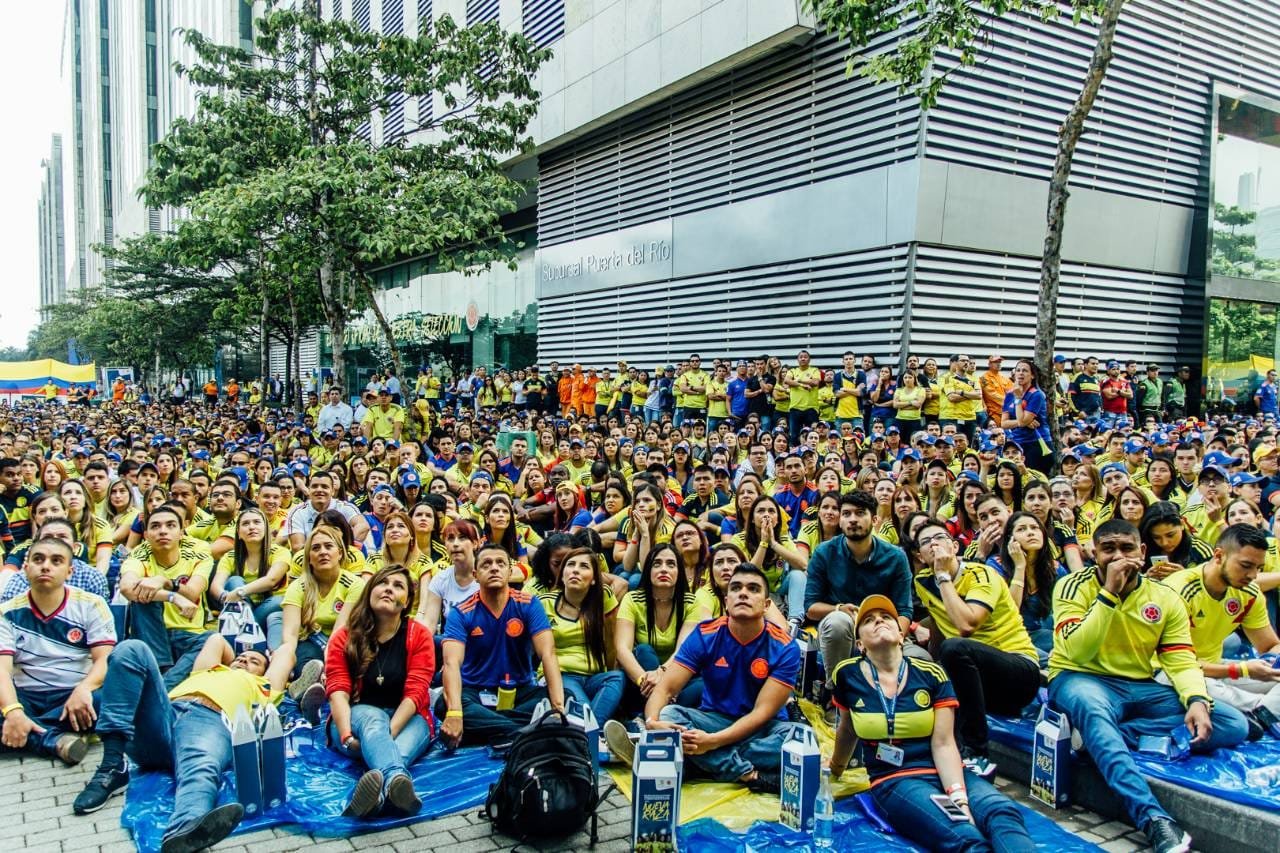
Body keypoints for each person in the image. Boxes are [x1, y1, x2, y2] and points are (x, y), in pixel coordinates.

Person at [1047, 518, 1250, 853]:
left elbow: (1180, 659)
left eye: (1126, 548)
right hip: (1079, 676)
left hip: (1139, 686)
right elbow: (1077, 649)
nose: (1117, 556)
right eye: (1108, 549)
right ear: (1093, 553)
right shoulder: (1072, 586)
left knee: (1231, 722)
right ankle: (1152, 818)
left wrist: (1197, 699)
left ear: (1141, 552)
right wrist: (1108, 594)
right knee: (1095, 711)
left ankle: (1103, 738)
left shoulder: (1164, 597)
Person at [828, 595, 1034, 853]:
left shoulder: (931, 674)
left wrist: (959, 796)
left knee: (1002, 812)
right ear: (860, 644)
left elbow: (944, 743)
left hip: (945, 769)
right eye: (869, 620)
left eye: (887, 617)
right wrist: (835, 769)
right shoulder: (847, 674)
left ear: (902, 635)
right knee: (963, 834)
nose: (879, 621)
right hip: (895, 779)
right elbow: (847, 728)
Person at [71, 633, 291, 850]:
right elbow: (216, 640)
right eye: (241, 658)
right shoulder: (209, 669)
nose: (245, 661)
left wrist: (270, 654)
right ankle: (112, 765)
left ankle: (185, 831)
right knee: (132, 647)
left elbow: (286, 652)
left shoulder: (265, 686)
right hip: (164, 717)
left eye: (255, 662)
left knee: (201, 766)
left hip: (210, 722)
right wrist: (237, 658)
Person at [607, 563, 800, 790]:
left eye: (753, 589)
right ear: (726, 601)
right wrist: (652, 723)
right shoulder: (706, 633)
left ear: (767, 605)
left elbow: (761, 713)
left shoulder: (785, 647)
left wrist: (712, 743)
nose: (744, 593)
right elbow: (665, 689)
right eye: (736, 588)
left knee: (799, 739)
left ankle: (689, 760)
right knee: (670, 714)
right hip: (713, 720)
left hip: (763, 727)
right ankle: (748, 774)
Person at [909, 521, 1041, 777]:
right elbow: (939, 624)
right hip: (975, 680)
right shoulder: (922, 581)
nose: (934, 544)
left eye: (939, 538)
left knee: (956, 648)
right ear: (919, 556)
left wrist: (943, 576)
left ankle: (977, 754)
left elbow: (966, 624)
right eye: (926, 542)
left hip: (1017, 674)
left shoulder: (982, 575)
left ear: (955, 545)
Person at [325, 564, 435, 818]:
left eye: (398, 586)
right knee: (376, 724)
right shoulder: (345, 637)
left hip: (408, 717)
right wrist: (348, 738)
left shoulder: (418, 635)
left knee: (394, 754)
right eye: (382, 583)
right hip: (354, 719)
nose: (389, 589)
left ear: (406, 602)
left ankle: (377, 797)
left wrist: (387, 735)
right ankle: (395, 781)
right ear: (369, 592)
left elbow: (416, 692)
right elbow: (338, 690)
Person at [436, 544, 565, 746]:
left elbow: (548, 654)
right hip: (476, 692)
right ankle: (530, 735)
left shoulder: (528, 604)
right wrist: (454, 712)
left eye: (500, 563)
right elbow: (451, 664)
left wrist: (558, 709)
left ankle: (496, 731)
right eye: (487, 564)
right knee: (444, 706)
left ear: (510, 571)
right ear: (475, 575)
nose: (494, 568)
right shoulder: (461, 612)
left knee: (562, 696)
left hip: (520, 691)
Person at [0, 537, 113, 767]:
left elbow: (103, 660)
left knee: (109, 702)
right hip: (26, 696)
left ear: (69, 571)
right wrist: (13, 710)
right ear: (26, 567)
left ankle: (22, 732)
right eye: (38, 559)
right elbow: (2, 669)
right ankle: (55, 740)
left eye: (56, 560)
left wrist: (84, 688)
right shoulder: (7, 612)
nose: (46, 566)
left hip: (73, 697)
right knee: (6, 705)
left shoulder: (91, 604)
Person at [805, 491, 925, 699]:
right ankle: (836, 695)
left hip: (884, 629)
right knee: (837, 621)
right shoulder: (824, 553)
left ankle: (897, 707)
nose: (852, 519)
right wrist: (838, 608)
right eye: (847, 514)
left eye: (860, 513)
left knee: (921, 659)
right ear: (840, 520)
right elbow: (811, 607)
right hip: (844, 635)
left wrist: (895, 639)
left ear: (875, 519)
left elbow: (904, 610)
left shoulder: (896, 557)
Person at [1162, 523, 1280, 728]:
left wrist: (1270, 663)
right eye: (1245, 566)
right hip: (1175, 673)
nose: (1253, 575)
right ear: (1218, 556)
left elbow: (1269, 646)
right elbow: (1174, 662)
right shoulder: (1178, 590)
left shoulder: (1249, 592)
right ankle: (1262, 711)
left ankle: (1262, 712)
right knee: (1191, 685)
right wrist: (1240, 669)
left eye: (1258, 568)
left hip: (1219, 668)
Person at [118, 506, 214, 688]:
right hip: (151, 634)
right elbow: (127, 587)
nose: (163, 531)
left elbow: (193, 591)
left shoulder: (198, 555)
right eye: (155, 526)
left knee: (212, 640)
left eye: (170, 525)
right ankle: (166, 686)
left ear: (181, 532)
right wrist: (172, 597)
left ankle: (160, 688)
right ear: (145, 535)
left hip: (189, 635)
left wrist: (164, 581)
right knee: (142, 593)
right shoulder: (139, 555)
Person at [540, 547, 624, 722]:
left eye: (584, 566)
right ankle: (595, 734)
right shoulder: (544, 603)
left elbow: (610, 643)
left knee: (616, 677)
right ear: (562, 575)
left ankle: (588, 733)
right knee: (586, 711)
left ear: (594, 579)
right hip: (561, 674)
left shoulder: (604, 598)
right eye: (570, 565)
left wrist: (608, 668)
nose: (576, 570)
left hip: (594, 677)